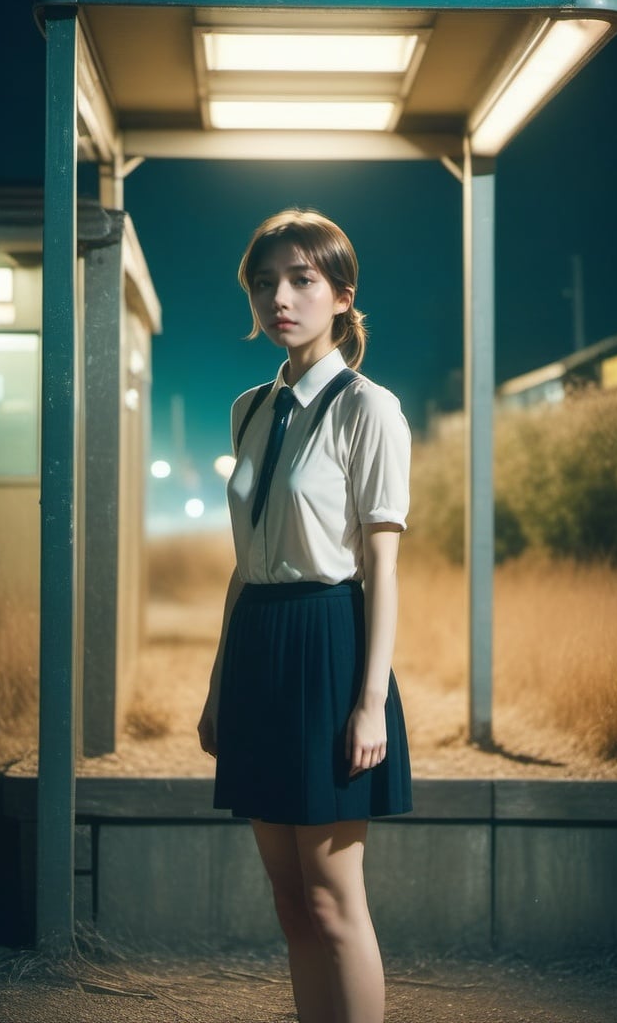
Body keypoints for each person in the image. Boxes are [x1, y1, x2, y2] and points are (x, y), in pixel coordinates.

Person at [198, 207, 412, 1023]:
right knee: (289, 904)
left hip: (329, 640)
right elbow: (242, 564)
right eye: (263, 282)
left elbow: (383, 569)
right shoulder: (249, 408)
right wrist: (220, 688)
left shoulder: (370, 408)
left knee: (332, 902)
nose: (278, 297)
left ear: (343, 295)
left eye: (301, 280)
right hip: (257, 642)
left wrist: (368, 700)